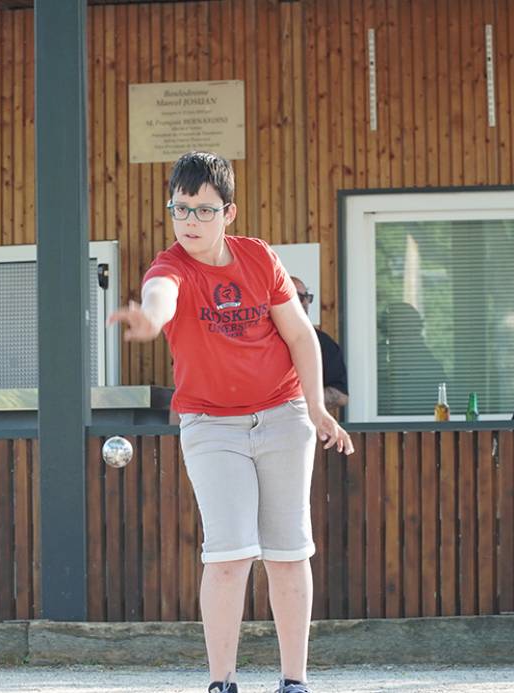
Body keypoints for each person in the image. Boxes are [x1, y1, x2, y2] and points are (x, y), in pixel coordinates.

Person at [108, 151, 354, 693]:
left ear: (229, 213)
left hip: (283, 415)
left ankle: (294, 681)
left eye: (204, 210)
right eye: (180, 209)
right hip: (211, 424)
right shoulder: (170, 266)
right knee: (229, 555)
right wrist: (150, 318)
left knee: (288, 551)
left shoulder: (259, 258)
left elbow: (300, 336)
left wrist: (316, 409)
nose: (190, 221)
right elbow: (160, 296)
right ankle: (222, 683)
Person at [290, 276, 348, 409]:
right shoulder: (260, 339)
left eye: (307, 297)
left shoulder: (323, 343)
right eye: (298, 297)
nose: (305, 302)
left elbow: (341, 395)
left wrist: (297, 403)